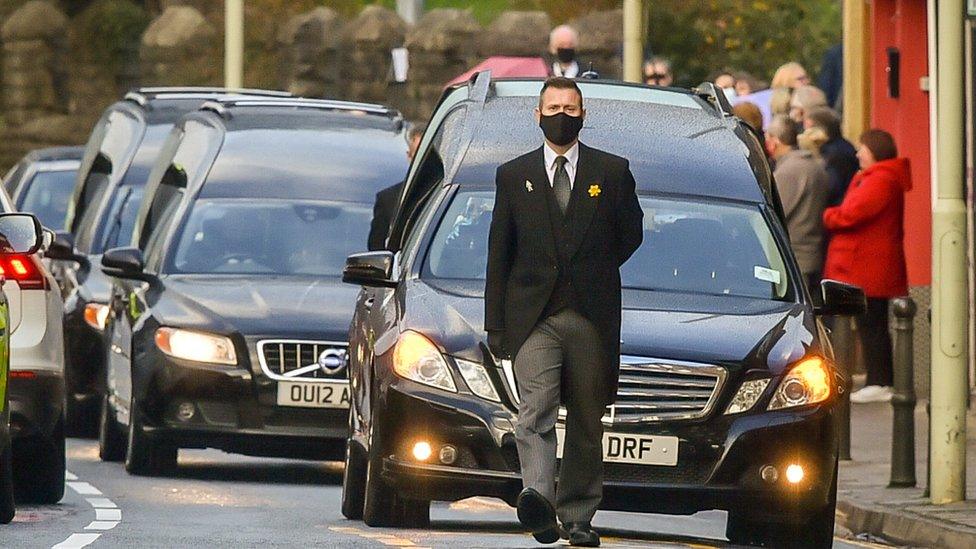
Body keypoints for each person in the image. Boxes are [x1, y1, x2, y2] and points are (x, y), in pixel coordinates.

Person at [485, 77, 643, 547]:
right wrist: (496, 322)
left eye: (570, 107)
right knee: (535, 407)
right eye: (553, 106)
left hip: (590, 315)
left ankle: (577, 516)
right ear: (537, 115)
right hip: (532, 315)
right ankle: (536, 497)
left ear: (583, 114)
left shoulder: (612, 171)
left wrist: (593, 266)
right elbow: (499, 251)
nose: (561, 114)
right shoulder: (513, 175)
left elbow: (630, 235)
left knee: (587, 417)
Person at [822, 129, 910, 404]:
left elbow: (852, 213)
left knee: (872, 325)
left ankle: (880, 381)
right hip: (869, 263)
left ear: (875, 151)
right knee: (871, 323)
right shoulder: (876, 178)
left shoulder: (880, 180)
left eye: (862, 148)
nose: (858, 153)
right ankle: (879, 380)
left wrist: (828, 214)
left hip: (869, 265)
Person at [765, 115, 830, 290]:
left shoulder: (787, 172)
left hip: (794, 255)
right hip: (813, 252)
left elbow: (775, 213)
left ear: (775, 141)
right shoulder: (815, 166)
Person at [367, 123, 425, 251]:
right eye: (418, 154)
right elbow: (376, 253)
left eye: (427, 154)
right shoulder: (388, 200)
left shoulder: (454, 198)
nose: (422, 160)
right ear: (409, 156)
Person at [803, 107, 859, 206]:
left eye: (808, 129)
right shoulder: (841, 145)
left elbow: (830, 189)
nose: (805, 134)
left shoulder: (834, 154)